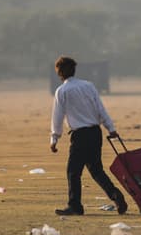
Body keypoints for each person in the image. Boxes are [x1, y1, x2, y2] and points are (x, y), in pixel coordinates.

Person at [50, 56, 128, 216]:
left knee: (73, 172)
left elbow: (57, 117)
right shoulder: (88, 86)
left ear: (59, 72)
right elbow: (100, 109)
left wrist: (54, 138)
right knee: (96, 170)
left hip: (79, 135)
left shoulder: (62, 91)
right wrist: (110, 128)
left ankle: (75, 206)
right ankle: (116, 195)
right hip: (95, 132)